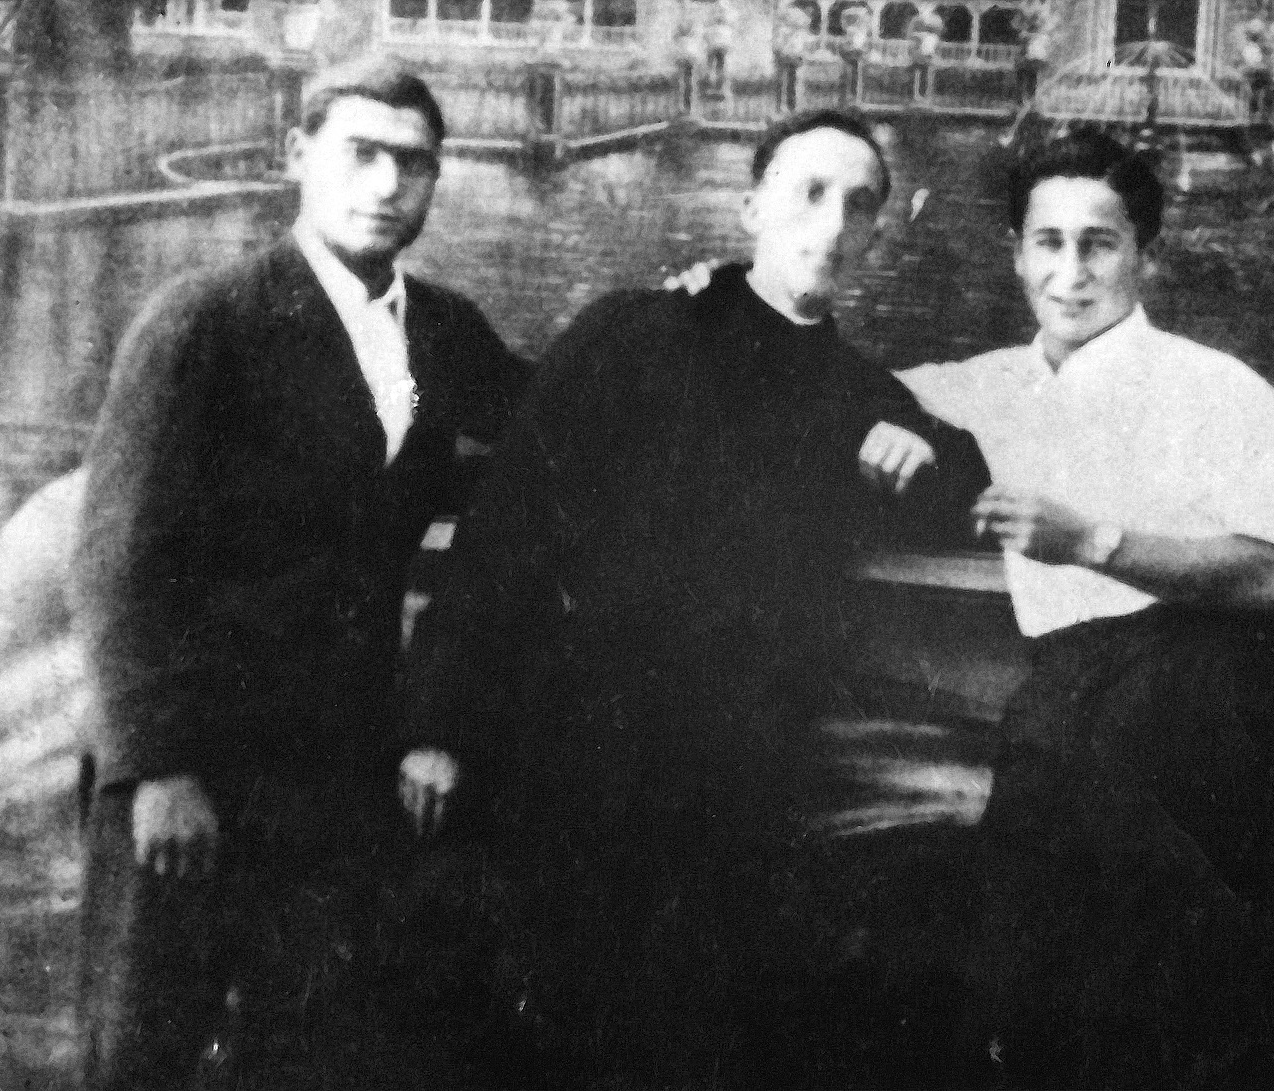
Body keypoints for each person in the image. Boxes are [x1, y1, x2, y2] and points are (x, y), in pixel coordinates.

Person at [401, 108, 988, 1085]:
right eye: (809, 192)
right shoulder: (635, 331)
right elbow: (508, 527)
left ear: (878, 236)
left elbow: (964, 473)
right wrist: (438, 724)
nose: (833, 223)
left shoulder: (861, 395)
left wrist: (927, 447)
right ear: (751, 207)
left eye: (859, 205)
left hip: (725, 785)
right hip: (561, 750)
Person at [71, 58, 527, 1091]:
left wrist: (695, 314)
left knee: (302, 1051)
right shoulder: (207, 319)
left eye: (413, 163)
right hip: (190, 772)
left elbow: (559, 423)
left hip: (333, 773)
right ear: (298, 156)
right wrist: (156, 766)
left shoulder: (442, 332)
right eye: (360, 153)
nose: (386, 184)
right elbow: (120, 557)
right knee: (140, 1054)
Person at [900, 130, 1274, 1088]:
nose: (1071, 273)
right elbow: (824, 381)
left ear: (1146, 256)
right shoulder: (986, 383)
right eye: (1048, 243)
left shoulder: (1215, 386)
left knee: (1152, 999)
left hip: (1187, 693)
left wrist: (1092, 541)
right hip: (1058, 693)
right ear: (1016, 253)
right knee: (1020, 987)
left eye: (1100, 244)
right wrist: (715, 297)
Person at [835, 0, 872, 104]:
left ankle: (853, 98)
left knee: (853, 77)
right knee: (850, 77)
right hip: (852, 56)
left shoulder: (857, 32)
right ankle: (850, 98)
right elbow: (849, 45)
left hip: (855, 56)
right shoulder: (854, 31)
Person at [908, 6, 943, 103]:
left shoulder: (930, 37)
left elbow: (934, 49)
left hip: (925, 57)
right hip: (922, 57)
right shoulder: (926, 36)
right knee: (922, 76)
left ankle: (924, 95)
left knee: (925, 76)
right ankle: (920, 95)